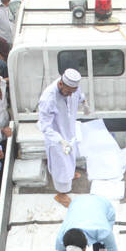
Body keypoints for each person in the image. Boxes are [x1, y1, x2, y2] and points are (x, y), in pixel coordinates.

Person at [37, 67, 87, 204]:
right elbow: (45, 126)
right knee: (61, 165)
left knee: (71, 156)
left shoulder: (73, 89)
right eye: (68, 92)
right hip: (56, 137)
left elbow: (79, 95)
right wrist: (60, 140)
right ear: (60, 84)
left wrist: (84, 103)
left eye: (73, 92)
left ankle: (69, 176)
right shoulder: (48, 98)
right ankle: (61, 193)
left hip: (69, 130)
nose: (70, 95)